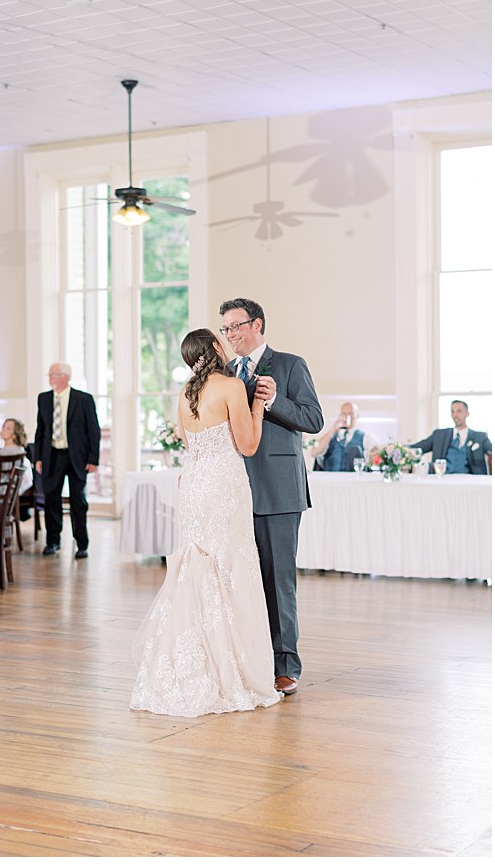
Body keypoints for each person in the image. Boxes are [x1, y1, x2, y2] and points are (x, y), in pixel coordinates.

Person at [128, 329, 283, 717]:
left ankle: (194, 662)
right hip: (224, 487)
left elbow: (188, 444)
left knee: (198, 569)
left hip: (195, 486)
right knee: (230, 569)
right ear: (215, 348)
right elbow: (246, 446)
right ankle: (230, 671)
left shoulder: (184, 395)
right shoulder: (231, 387)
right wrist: (259, 406)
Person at [219, 297, 325, 695]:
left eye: (236, 326)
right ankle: (250, 658)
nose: (230, 336)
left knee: (278, 580)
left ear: (257, 325)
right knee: (239, 580)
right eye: (225, 329)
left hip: (279, 490)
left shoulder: (290, 365)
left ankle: (285, 665)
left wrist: (275, 400)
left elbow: (313, 419)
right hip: (234, 489)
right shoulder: (225, 373)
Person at [33, 361, 100, 558]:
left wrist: (93, 459)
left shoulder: (83, 399)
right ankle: (53, 541)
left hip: (77, 457)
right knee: (51, 499)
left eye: (53, 374)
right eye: (49, 374)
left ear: (65, 376)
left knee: (78, 500)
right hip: (52, 455)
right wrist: (38, 457)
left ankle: (82, 544)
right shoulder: (44, 399)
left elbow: (93, 431)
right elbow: (41, 430)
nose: (50, 378)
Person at [412, 400, 493, 475]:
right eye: (452, 412)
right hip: (444, 479)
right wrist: (401, 449)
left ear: (467, 413)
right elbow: (419, 447)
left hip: (470, 481)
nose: (455, 415)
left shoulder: (480, 437)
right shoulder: (439, 435)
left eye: (459, 411)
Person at [312, 402, 366, 472]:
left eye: (351, 414)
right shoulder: (330, 436)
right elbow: (314, 453)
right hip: (329, 480)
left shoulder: (365, 437)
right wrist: (332, 431)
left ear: (357, 416)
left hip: (353, 480)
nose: (347, 417)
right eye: (344, 414)